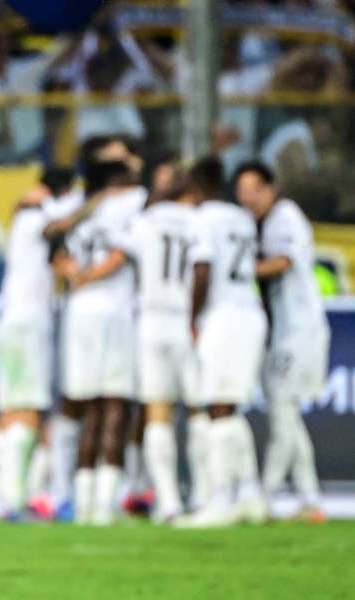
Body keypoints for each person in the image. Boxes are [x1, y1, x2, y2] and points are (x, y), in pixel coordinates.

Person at [70, 169, 200, 524]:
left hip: (148, 320)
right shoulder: (199, 221)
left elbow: (117, 252)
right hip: (186, 319)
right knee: (201, 411)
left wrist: (79, 276)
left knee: (149, 411)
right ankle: (206, 498)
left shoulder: (141, 223)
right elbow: (203, 269)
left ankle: (164, 503)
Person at [234, 160, 329, 523]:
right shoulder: (266, 221)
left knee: (281, 411)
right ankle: (310, 500)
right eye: (242, 192)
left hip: (298, 331)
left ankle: (264, 494)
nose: (248, 199)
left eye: (253, 190)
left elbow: (282, 262)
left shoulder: (284, 217)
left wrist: (239, 270)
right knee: (288, 414)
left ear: (270, 189)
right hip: (286, 331)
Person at [177, 157, 268, 529]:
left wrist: (192, 318)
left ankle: (219, 500)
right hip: (250, 311)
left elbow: (202, 269)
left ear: (195, 188)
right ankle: (249, 496)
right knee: (231, 408)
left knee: (216, 407)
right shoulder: (241, 217)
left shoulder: (202, 219)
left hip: (223, 315)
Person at [56, 158, 146, 525]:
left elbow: (54, 250)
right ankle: (106, 503)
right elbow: (121, 255)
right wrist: (92, 275)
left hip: (79, 312)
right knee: (114, 404)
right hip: (113, 311)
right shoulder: (129, 205)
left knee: (86, 406)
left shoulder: (73, 212)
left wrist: (76, 276)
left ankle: (84, 501)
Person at [0, 170, 60, 520]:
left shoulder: (24, 219)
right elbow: (58, 226)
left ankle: (19, 496)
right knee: (28, 409)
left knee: (14, 409)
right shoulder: (39, 217)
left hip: (13, 321)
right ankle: (23, 498)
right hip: (28, 322)